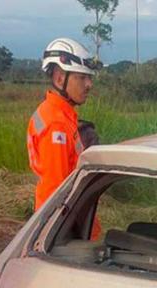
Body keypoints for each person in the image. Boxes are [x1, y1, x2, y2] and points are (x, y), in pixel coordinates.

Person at [27, 37, 99, 213]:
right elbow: (56, 192)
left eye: (89, 77)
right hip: (62, 223)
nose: (89, 84)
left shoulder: (57, 113)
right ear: (60, 79)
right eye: (81, 77)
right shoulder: (56, 125)